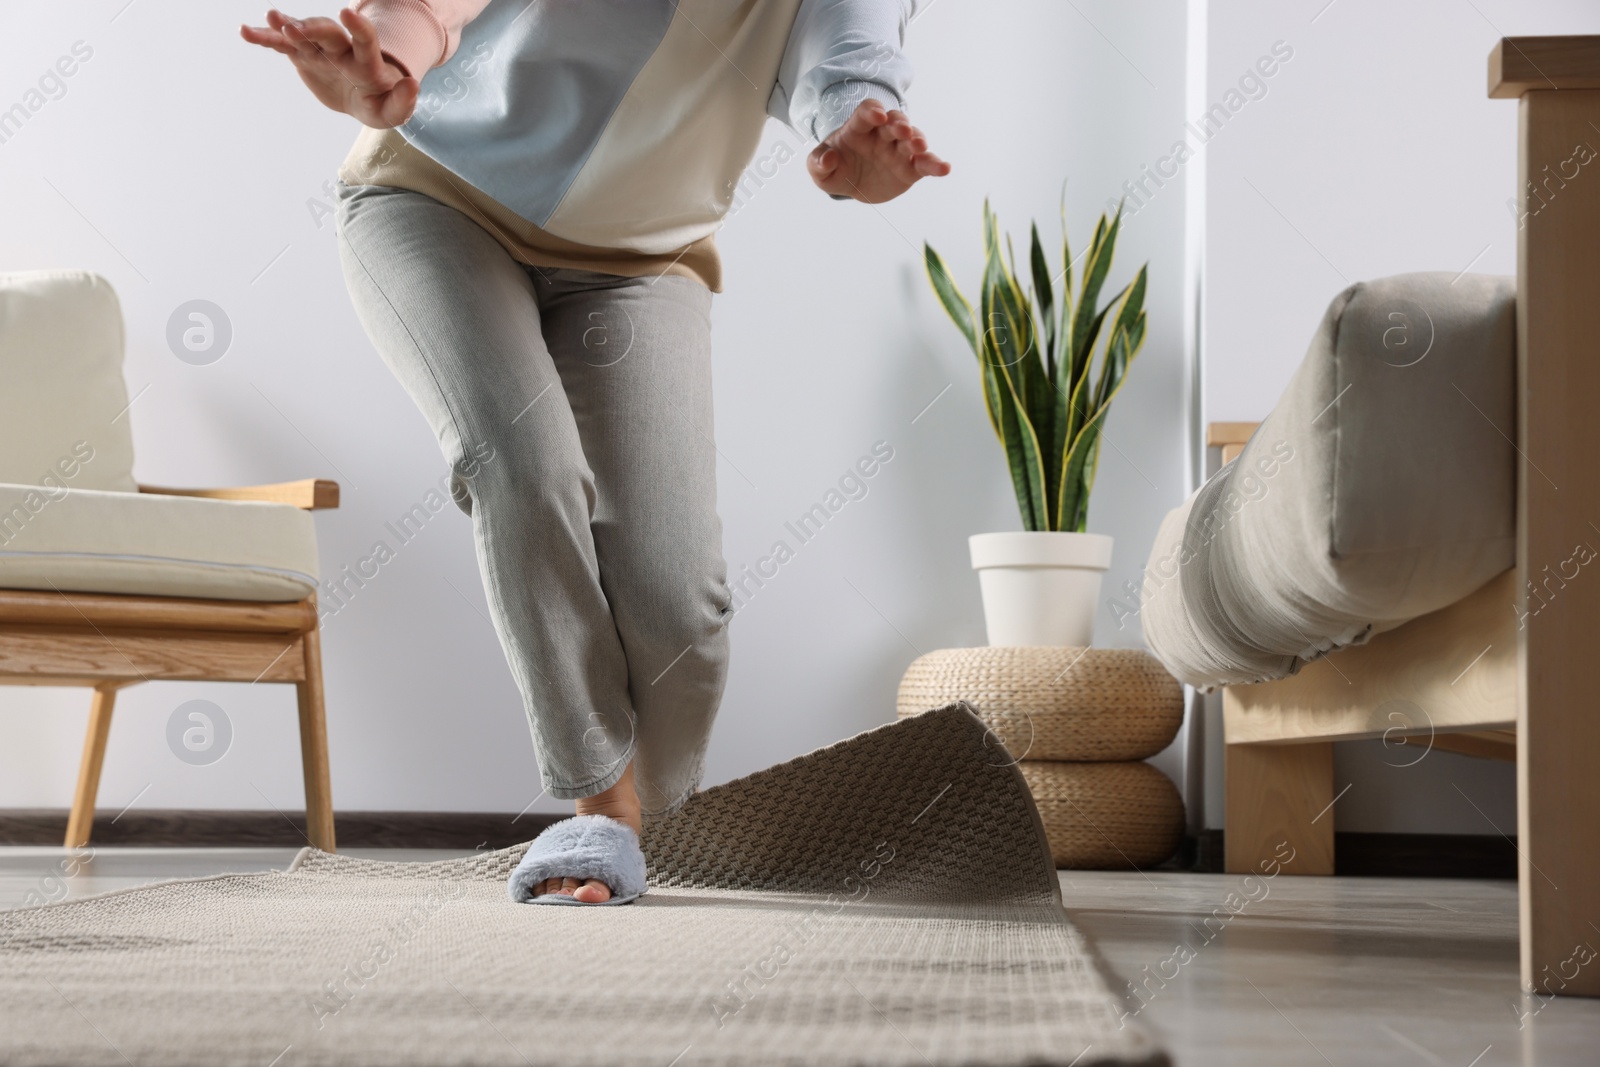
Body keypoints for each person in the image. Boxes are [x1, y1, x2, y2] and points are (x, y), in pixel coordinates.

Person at [241, 0, 948, 904]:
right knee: (523, 465)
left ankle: (652, 823)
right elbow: (433, 9)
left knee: (678, 606)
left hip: (638, 264)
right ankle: (601, 813)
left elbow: (846, 80)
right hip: (438, 201)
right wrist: (389, 66)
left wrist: (863, 152)